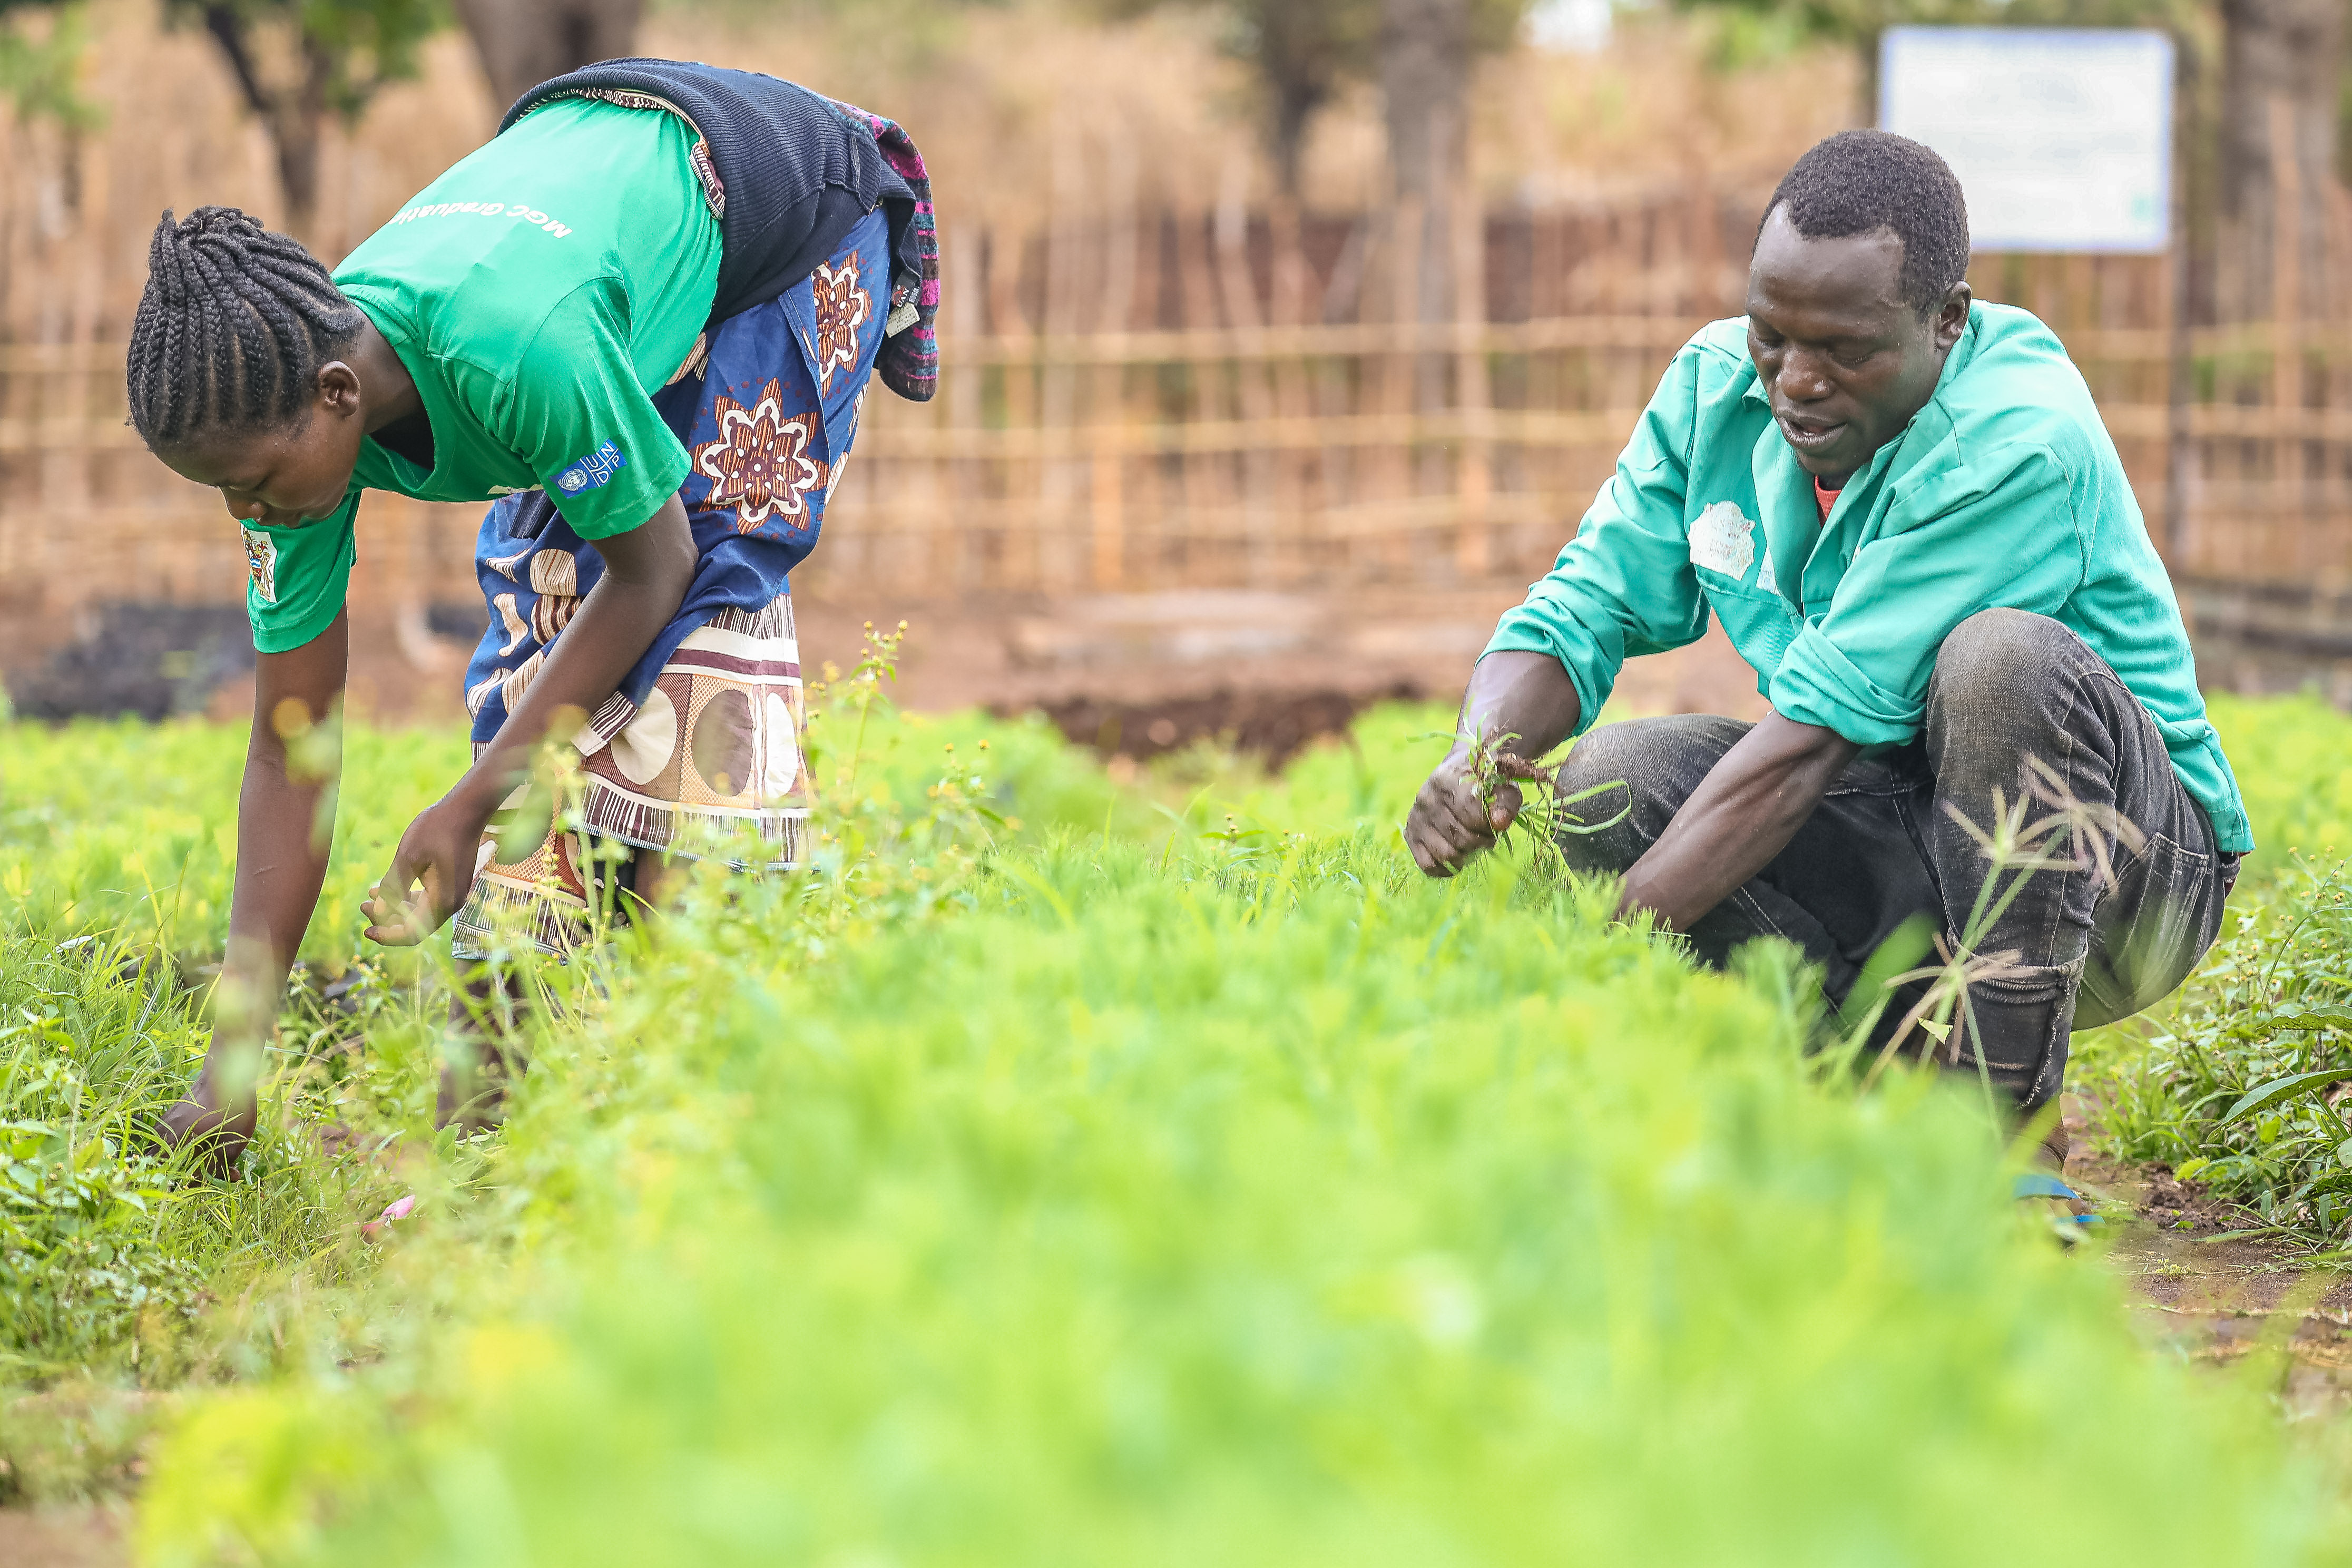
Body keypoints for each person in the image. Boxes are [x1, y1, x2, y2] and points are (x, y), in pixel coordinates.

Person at [128, 60, 939, 1164]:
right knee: (543, 626)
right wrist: (230, 1070)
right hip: (587, 224)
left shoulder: (515, 348)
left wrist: (469, 803)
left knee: (699, 620)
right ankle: (484, 1151)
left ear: (338, 396)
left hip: (782, 216)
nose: (249, 510)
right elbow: (289, 753)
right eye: (227, 490)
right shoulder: (287, 420)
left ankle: (692, 1122)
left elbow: (654, 567)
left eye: (257, 481)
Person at [1404, 131, 2247, 1185]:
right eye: (1772, 336)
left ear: (1947, 321)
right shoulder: (1720, 390)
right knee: (1609, 785)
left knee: (2002, 664)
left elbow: (1801, 751)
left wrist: (1580, 967)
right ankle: (1872, 1092)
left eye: (1848, 350)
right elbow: (1585, 604)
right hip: (1909, 833)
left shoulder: (2015, 440)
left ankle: (2002, 1142)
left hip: (2124, 873)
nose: (1796, 382)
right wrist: (1478, 759)